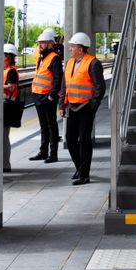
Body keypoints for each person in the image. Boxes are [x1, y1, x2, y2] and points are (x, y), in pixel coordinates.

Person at [62, 32, 105, 185]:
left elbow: (100, 86)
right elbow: (65, 85)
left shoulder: (93, 63)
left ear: (80, 49)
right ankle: (79, 168)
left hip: (86, 108)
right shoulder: (69, 63)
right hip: (72, 106)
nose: (70, 49)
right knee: (70, 139)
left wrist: (93, 105)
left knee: (84, 140)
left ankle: (84, 175)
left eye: (72, 47)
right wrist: (62, 104)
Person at [29, 30, 63, 162]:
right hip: (38, 95)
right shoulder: (42, 58)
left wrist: (51, 95)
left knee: (51, 125)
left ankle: (53, 154)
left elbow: (57, 79)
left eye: (43, 42)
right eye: (40, 43)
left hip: (47, 97)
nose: (40, 45)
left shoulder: (54, 58)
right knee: (43, 125)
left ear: (50, 44)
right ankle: (43, 152)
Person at [2, 43, 22, 172]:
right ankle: (3, 163)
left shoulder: (11, 71)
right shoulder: (6, 70)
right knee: (2, 137)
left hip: (7, 106)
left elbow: (11, 87)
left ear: (8, 57)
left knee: (3, 137)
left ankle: (5, 164)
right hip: (4, 105)